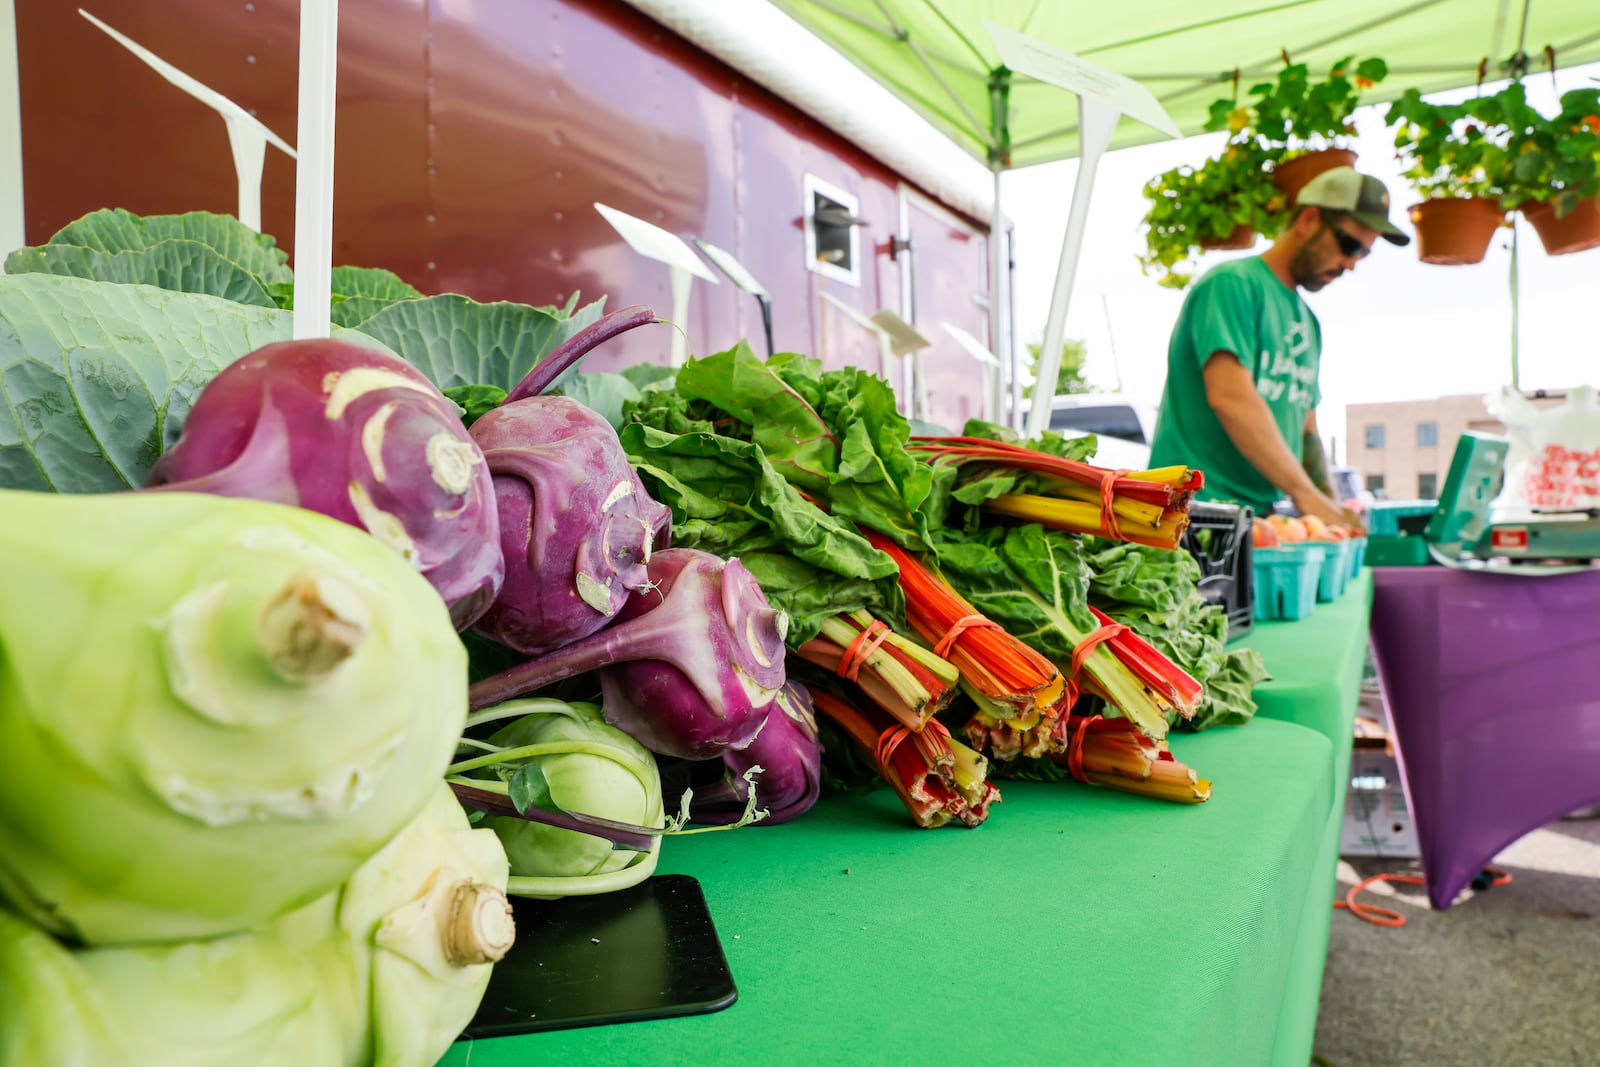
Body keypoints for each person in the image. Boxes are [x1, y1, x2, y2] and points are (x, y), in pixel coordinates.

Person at [1147, 166, 1410, 529]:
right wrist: (1307, 496)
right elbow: (1230, 397)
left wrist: (1332, 513)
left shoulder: (1308, 321)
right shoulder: (1232, 284)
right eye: (1349, 245)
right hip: (1194, 511)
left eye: (1363, 254)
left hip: (1259, 516)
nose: (1351, 264)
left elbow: (1307, 430)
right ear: (1309, 219)